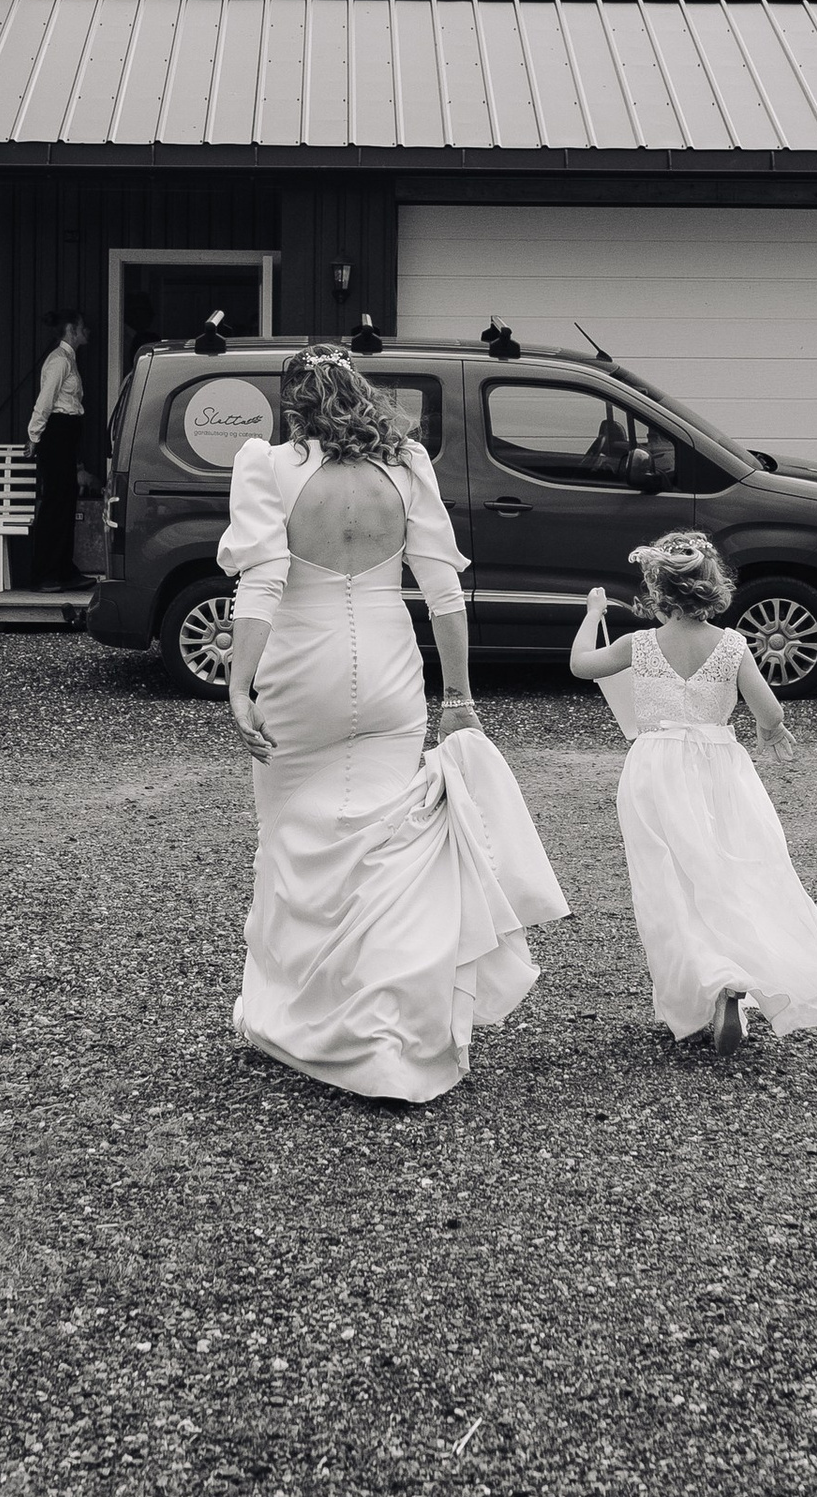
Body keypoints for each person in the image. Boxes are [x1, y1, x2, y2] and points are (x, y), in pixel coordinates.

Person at [221, 347, 567, 1104]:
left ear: (292, 404)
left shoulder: (266, 466)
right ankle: (384, 1030)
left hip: (301, 669)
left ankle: (296, 1015)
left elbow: (263, 582)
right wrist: (459, 694)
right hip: (388, 666)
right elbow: (443, 591)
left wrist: (239, 685)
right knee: (385, 843)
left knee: (293, 842)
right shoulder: (407, 465)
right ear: (363, 396)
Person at [570, 530, 817, 1055]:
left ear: (657, 591)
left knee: (669, 882)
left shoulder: (638, 645)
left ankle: (705, 982)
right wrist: (769, 730)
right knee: (728, 870)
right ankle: (734, 976)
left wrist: (594, 613)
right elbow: (769, 709)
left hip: (656, 769)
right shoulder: (732, 645)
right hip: (721, 769)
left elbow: (580, 665)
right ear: (714, 587)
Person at [24, 311, 91, 588]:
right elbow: (46, 400)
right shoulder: (59, 360)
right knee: (55, 503)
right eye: (83, 327)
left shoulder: (69, 359)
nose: (87, 331)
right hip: (56, 433)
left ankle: (64, 570)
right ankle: (45, 574)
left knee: (66, 501)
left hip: (67, 432)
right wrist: (34, 435)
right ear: (71, 330)